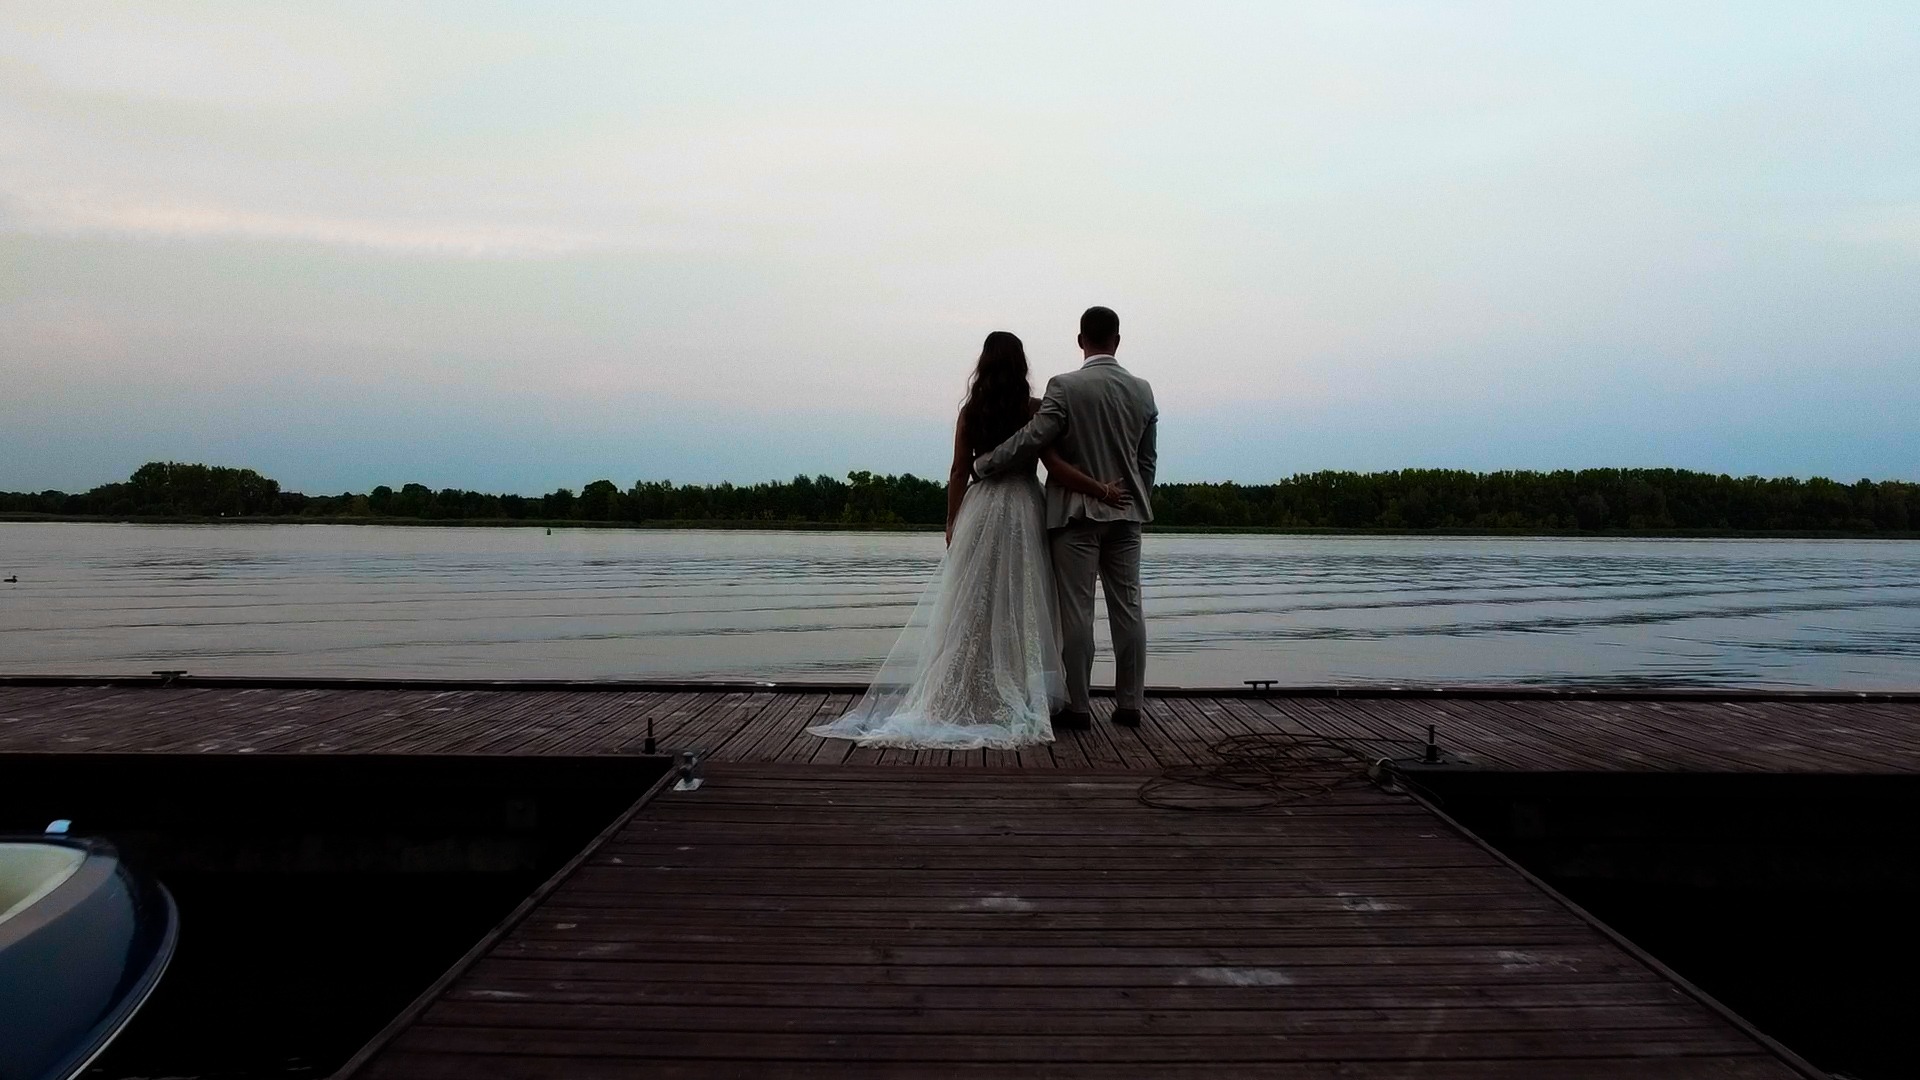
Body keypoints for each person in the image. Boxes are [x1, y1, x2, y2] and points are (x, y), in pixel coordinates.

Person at [808, 331, 1130, 749]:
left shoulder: (971, 411)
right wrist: (1099, 488)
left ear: (984, 365)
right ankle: (1018, 686)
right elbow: (1053, 465)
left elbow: (959, 471)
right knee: (1022, 600)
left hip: (981, 508)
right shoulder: (1033, 409)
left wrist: (951, 521)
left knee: (973, 600)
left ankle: (963, 687)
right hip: (1024, 508)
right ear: (1021, 367)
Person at [972, 306, 1157, 730]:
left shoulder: (1066, 387)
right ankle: (1130, 705)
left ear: (1080, 340)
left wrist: (986, 465)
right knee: (1129, 610)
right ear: (1117, 339)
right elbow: (1147, 461)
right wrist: (1135, 502)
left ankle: (1079, 707)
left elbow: (1034, 438)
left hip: (1075, 517)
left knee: (1077, 614)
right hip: (1126, 517)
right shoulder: (1143, 391)